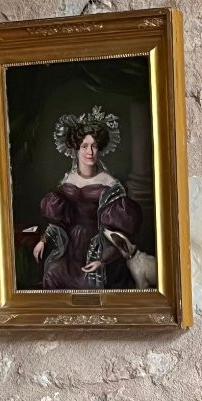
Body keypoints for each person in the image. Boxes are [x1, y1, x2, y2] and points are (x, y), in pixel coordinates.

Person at [32, 107, 143, 290]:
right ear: (76, 149)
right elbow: (60, 221)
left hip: (98, 247)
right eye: (84, 146)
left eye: (94, 146)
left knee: (88, 282)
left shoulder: (110, 184)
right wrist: (43, 240)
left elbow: (118, 234)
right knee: (53, 272)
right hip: (69, 247)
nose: (90, 152)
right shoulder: (68, 179)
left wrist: (103, 260)